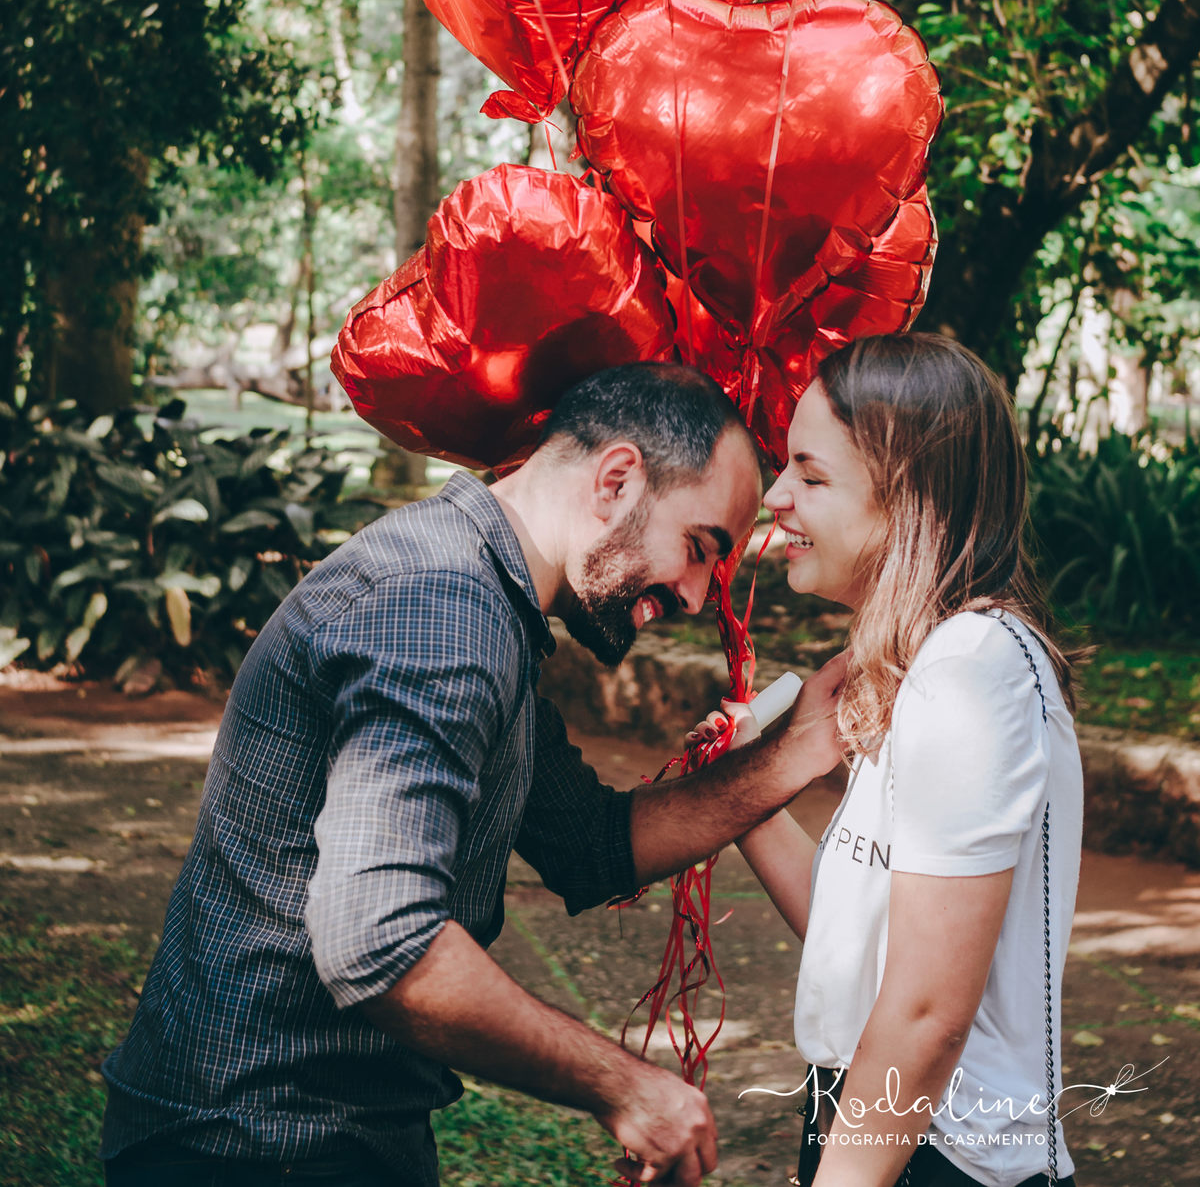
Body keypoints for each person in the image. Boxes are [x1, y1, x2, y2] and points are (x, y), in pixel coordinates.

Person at [101, 361, 849, 1187]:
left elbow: (590, 845)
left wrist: (789, 755)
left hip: (324, 1131)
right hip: (255, 1139)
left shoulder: (484, 599)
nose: (700, 594)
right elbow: (380, 939)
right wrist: (626, 1085)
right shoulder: (441, 604)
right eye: (700, 549)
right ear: (617, 479)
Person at [688, 334, 1082, 1187]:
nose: (779, 496)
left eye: (811, 474)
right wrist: (745, 787)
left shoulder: (971, 667)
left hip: (947, 1156)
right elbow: (862, 943)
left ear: (908, 497)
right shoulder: (928, 662)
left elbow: (929, 1012)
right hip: (883, 1132)